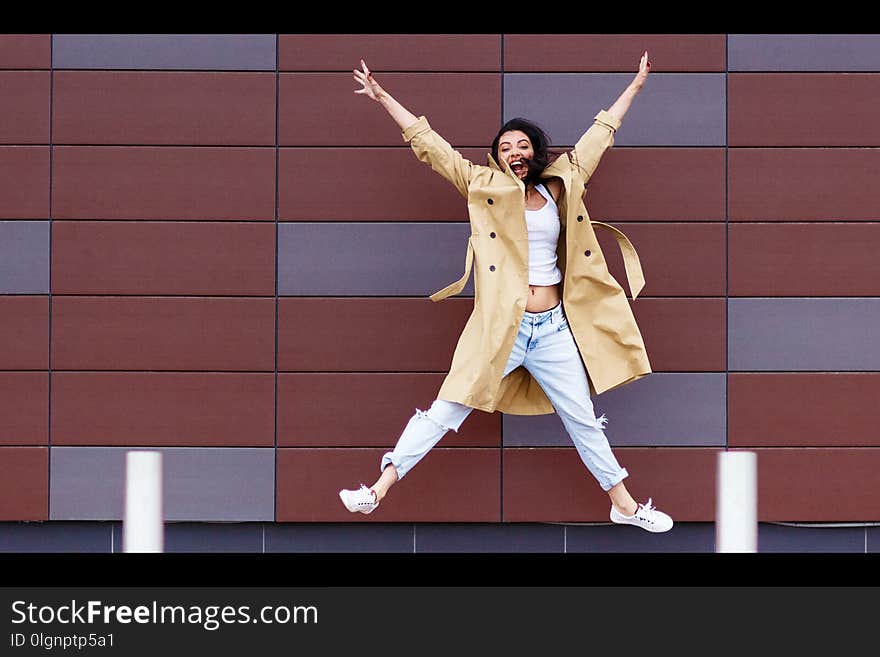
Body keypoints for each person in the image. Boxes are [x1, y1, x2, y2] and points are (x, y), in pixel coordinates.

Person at [339, 52, 672, 533]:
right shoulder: (478, 183)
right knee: (447, 408)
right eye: (504, 146)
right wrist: (383, 95)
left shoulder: (562, 182)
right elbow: (429, 146)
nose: (514, 150)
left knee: (581, 417)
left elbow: (601, 135)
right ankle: (377, 490)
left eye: (522, 144)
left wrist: (636, 86)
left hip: (554, 326)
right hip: (503, 326)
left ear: (535, 151)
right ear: (495, 156)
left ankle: (624, 505)